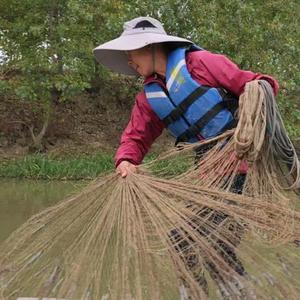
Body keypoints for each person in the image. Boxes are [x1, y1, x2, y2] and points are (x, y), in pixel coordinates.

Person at [93, 16, 279, 295]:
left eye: (131, 53)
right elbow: (136, 136)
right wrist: (126, 161)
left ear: (152, 46)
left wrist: (258, 91)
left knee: (195, 242)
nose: (129, 61)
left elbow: (260, 84)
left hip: (245, 170)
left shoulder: (203, 64)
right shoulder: (149, 97)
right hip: (211, 177)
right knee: (211, 246)